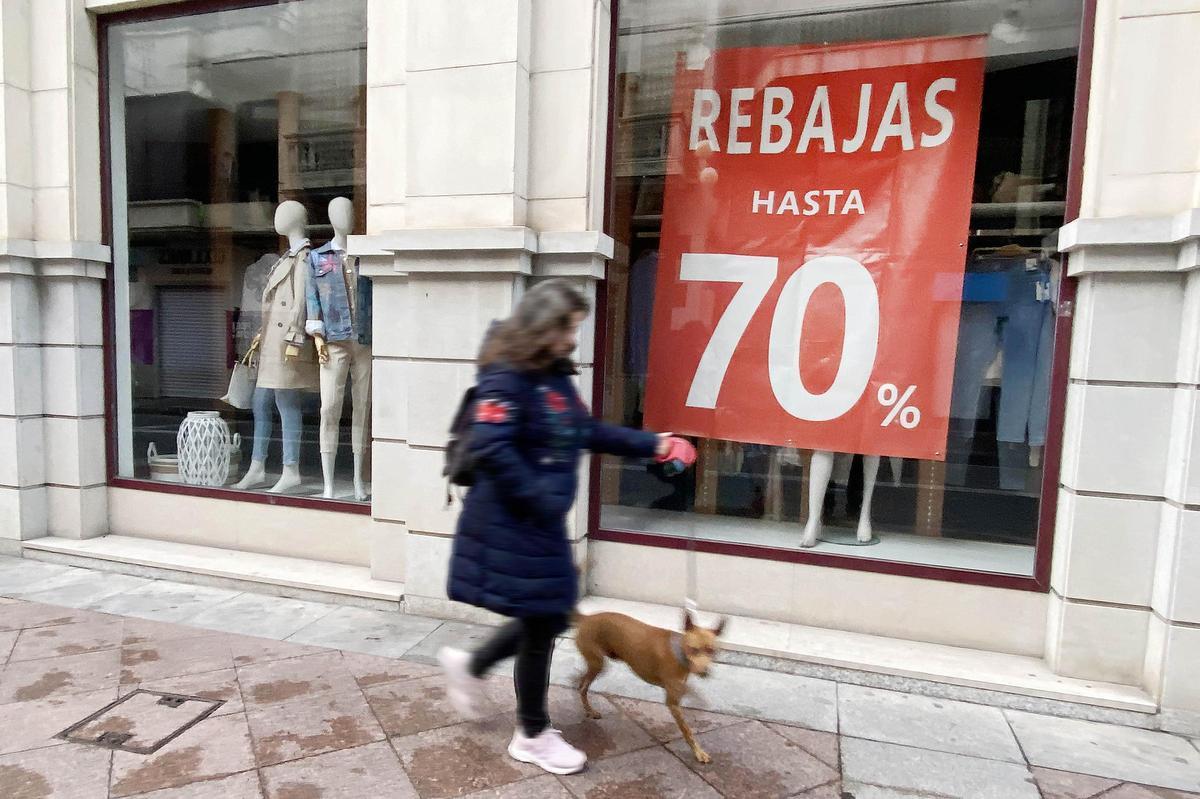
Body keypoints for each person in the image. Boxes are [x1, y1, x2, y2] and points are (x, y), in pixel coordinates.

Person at [437, 278, 693, 775]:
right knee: (543, 621)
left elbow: (585, 431)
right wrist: (541, 496)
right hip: (511, 522)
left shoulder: (552, 375)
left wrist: (655, 444)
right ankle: (531, 733)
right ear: (542, 326)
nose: (574, 339)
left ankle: (471, 667)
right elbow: (492, 449)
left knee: (550, 616)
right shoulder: (505, 376)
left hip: (540, 523)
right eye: (567, 329)